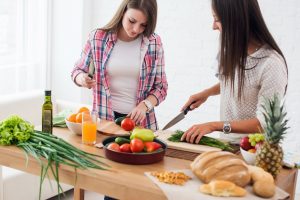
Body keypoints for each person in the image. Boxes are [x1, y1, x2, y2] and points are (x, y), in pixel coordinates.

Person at [180, 0, 288, 144]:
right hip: (227, 144)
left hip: (254, 151)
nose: (213, 26)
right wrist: (207, 93)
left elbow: (264, 123)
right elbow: (235, 80)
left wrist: (214, 126)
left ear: (236, 20)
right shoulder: (231, 47)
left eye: (217, 20)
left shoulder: (271, 64)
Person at [71, 0, 167, 131]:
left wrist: (144, 106)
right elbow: (77, 70)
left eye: (143, 25)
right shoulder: (98, 37)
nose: (136, 29)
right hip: (103, 122)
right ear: (123, 12)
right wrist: (81, 78)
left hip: (141, 125)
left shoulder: (154, 42)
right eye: (132, 21)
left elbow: (161, 87)